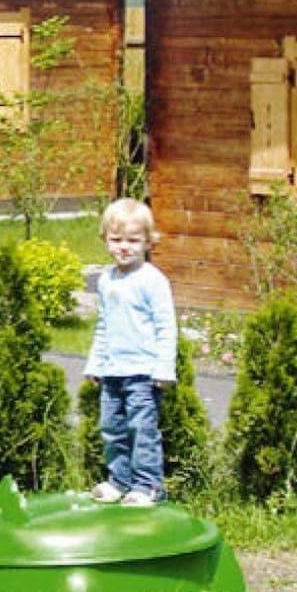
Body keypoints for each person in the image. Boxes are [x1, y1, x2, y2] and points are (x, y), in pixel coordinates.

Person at [85, 197, 177, 507]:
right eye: (117, 239)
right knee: (112, 429)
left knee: (142, 431)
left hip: (143, 374)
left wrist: (164, 369)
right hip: (112, 372)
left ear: (149, 242)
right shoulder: (106, 279)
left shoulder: (153, 280)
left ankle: (148, 485)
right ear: (105, 239)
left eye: (133, 240)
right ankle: (120, 481)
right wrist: (95, 364)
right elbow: (104, 324)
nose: (124, 247)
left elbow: (166, 327)